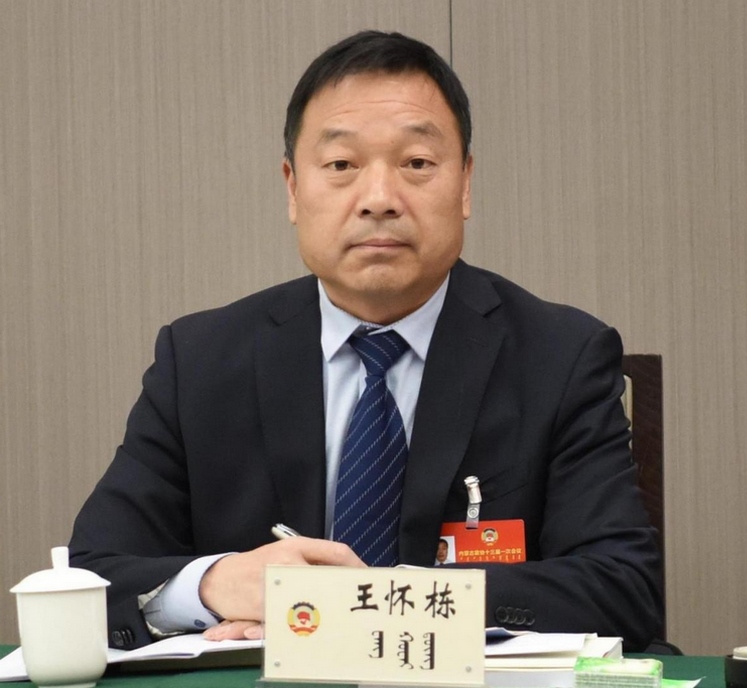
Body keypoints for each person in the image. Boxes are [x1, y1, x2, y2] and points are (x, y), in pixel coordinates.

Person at [69, 30, 663, 652]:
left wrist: (365, 606)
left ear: (465, 184)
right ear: (293, 188)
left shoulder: (560, 356)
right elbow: (90, 578)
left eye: (417, 164)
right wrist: (218, 584)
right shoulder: (199, 360)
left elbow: (621, 587)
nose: (379, 199)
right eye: (341, 166)